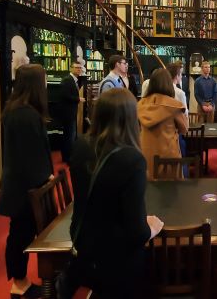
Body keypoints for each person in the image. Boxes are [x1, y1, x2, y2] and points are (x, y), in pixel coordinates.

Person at [59, 89, 164, 298]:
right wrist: (151, 228)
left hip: (84, 243)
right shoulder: (132, 159)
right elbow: (136, 232)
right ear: (131, 118)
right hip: (116, 257)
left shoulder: (80, 146)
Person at [0, 64, 53, 299]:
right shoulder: (25, 115)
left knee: (21, 233)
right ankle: (19, 283)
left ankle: (21, 281)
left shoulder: (17, 110)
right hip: (24, 187)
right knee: (21, 234)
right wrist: (45, 177)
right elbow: (31, 155)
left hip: (19, 183)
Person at [138, 69, 188, 178]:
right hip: (168, 156)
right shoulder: (174, 105)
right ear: (169, 84)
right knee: (170, 190)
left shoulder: (141, 104)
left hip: (145, 153)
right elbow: (184, 129)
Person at [58, 62, 85, 164]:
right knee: (69, 136)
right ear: (71, 69)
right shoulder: (67, 80)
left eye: (80, 68)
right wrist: (78, 99)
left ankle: (68, 156)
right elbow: (64, 95)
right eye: (76, 68)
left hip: (71, 112)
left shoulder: (75, 80)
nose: (79, 69)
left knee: (71, 135)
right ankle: (67, 158)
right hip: (67, 113)